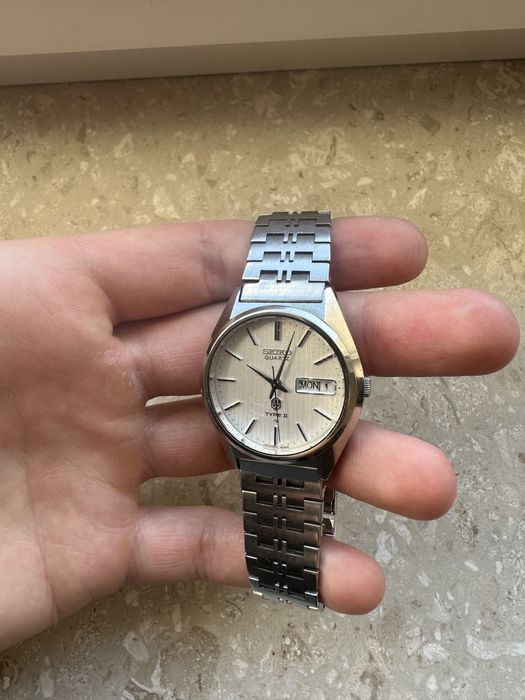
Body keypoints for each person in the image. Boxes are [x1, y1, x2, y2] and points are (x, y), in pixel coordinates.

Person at [0, 216, 519, 651]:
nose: (274, 384)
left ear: (355, 384)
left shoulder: (331, 352)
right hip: (250, 438)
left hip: (290, 438)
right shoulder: (230, 348)